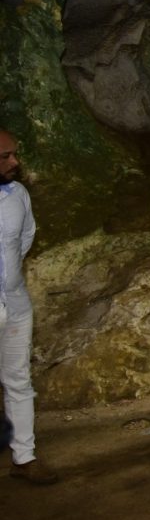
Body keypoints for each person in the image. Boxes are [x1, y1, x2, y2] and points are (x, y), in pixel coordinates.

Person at [0, 128, 58, 485]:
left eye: (14, 154)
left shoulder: (17, 194)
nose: (15, 162)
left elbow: (25, 238)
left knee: (18, 379)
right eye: (5, 156)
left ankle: (24, 456)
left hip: (15, 302)